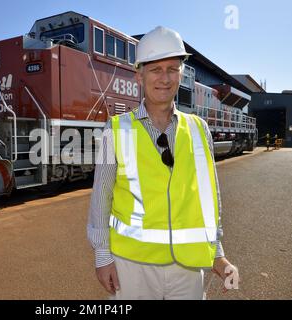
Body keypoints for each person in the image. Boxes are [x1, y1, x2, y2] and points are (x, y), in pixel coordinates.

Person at [87, 26, 238, 300]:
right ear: (139, 74)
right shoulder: (115, 129)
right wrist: (102, 256)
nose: (164, 78)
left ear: (182, 73)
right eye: (155, 69)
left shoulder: (199, 129)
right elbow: (101, 196)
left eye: (172, 68)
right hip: (131, 266)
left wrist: (216, 252)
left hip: (188, 265)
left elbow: (208, 196)